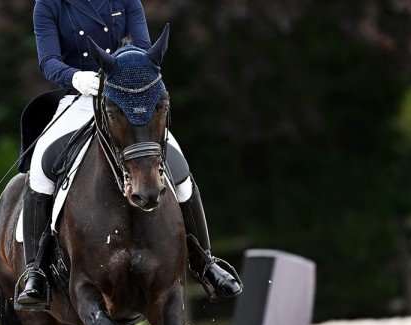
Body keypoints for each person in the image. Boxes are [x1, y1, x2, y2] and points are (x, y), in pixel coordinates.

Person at [16, 0, 242, 308]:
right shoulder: (49, 5)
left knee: (180, 169)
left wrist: (126, 77)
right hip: (79, 97)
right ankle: (35, 273)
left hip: (126, 97)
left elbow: (144, 48)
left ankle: (205, 261)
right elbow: (49, 60)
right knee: (41, 169)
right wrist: (76, 78)